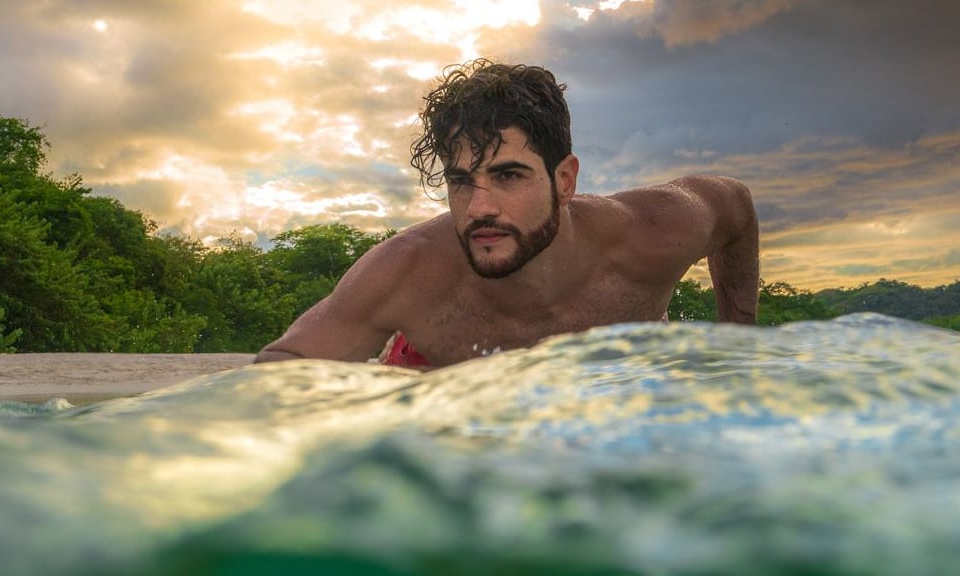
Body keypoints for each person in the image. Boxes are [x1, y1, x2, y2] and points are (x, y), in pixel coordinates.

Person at [255, 59, 759, 368]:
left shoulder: (654, 232)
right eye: (460, 182)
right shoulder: (407, 274)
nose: (479, 208)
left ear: (564, 180)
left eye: (508, 176)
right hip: (434, 376)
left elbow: (736, 208)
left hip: (613, 384)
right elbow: (282, 362)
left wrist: (739, 351)